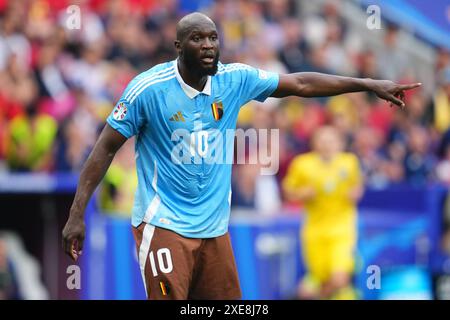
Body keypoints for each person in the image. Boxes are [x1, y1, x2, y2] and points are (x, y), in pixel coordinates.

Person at [62, 12, 421, 300]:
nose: (208, 45)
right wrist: (77, 214)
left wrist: (368, 83)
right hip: (163, 225)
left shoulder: (234, 80)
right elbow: (104, 148)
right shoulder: (148, 90)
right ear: (177, 46)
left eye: (213, 38)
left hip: (215, 230)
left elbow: (300, 84)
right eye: (197, 38)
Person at [283, 126, 363, 299]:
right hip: (314, 231)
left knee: (339, 277)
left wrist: (355, 193)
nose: (327, 145)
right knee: (319, 280)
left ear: (340, 143)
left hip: (342, 229)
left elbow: (358, 187)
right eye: (323, 141)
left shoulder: (349, 162)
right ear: (314, 143)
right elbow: (288, 191)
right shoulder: (302, 164)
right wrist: (302, 193)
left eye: (331, 141)